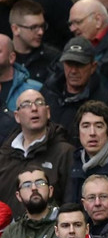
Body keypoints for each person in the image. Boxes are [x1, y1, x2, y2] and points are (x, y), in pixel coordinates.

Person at [0, 90, 72, 218]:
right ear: (16, 116)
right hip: (7, 235)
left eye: (39, 103)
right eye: (26, 104)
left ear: (48, 112)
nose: (34, 108)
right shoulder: (4, 155)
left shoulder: (64, 152)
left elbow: (70, 202)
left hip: (50, 234)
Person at [0, 167, 60, 238]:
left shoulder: (63, 225)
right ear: (18, 195)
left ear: (50, 190)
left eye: (40, 183)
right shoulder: (10, 231)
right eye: (27, 185)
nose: (34, 188)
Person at [8, 0, 58, 84]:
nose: (40, 32)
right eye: (34, 27)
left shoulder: (53, 58)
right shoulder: (4, 58)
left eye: (42, 26)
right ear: (15, 29)